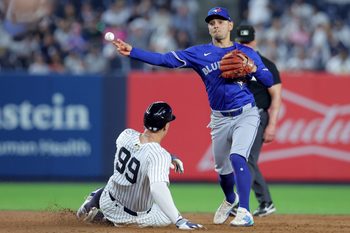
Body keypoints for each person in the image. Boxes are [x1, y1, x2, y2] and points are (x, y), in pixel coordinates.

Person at [112, 7, 273, 227]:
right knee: (222, 169)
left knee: (238, 157)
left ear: (230, 25)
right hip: (219, 118)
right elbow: (165, 59)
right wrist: (133, 52)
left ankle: (244, 211)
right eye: (211, 22)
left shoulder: (245, 52)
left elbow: (268, 79)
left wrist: (252, 68)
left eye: (220, 21)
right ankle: (230, 199)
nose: (215, 25)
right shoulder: (199, 53)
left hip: (246, 113)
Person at [76, 101, 203, 230]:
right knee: (167, 216)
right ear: (165, 127)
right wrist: (179, 220)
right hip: (131, 217)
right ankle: (105, 220)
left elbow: (140, 150)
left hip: (108, 200)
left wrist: (169, 157)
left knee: (118, 181)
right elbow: (157, 189)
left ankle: (93, 200)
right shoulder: (159, 155)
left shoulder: (126, 135)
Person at [235, 24, 282, 217]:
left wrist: (272, 125)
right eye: (242, 41)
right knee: (241, 159)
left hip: (258, 115)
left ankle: (243, 202)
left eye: (247, 41)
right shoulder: (233, 63)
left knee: (247, 159)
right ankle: (265, 202)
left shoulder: (267, 65)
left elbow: (277, 96)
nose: (245, 44)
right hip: (238, 116)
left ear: (254, 41)